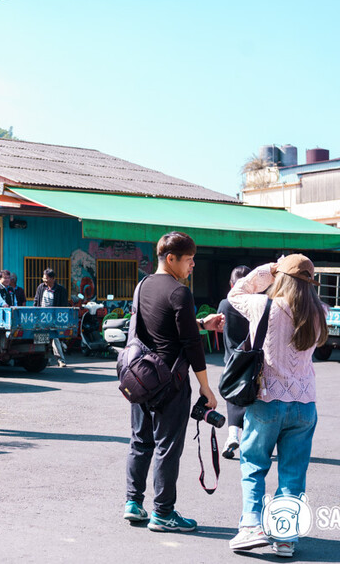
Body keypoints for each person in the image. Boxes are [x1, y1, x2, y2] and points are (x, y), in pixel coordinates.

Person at [227, 254, 327, 558]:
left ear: (281, 277)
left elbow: (235, 293)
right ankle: (285, 537)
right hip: (305, 405)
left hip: (267, 400)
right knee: (293, 473)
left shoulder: (263, 306)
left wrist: (268, 269)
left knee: (254, 464)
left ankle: (251, 527)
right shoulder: (321, 311)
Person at [124, 231, 224, 533]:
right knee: (168, 446)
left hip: (141, 379)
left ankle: (133, 503)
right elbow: (191, 345)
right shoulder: (180, 292)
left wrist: (199, 324)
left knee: (141, 441)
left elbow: (157, 327)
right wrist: (206, 387)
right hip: (171, 383)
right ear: (172, 259)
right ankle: (163, 513)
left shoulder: (142, 287)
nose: (192, 265)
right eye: (189, 260)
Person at [216, 265, 252, 459]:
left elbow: (220, 329)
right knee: (252, 397)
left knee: (232, 396)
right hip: (254, 358)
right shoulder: (258, 303)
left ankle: (232, 435)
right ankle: (249, 440)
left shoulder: (225, 304)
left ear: (231, 285)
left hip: (231, 358)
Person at [33, 268, 69, 367]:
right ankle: (45, 359)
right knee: (41, 338)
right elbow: (36, 301)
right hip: (41, 318)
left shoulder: (60, 289)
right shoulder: (41, 287)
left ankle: (61, 360)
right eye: (43, 278)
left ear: (53, 278)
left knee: (54, 337)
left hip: (54, 319)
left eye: (46, 278)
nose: (44, 280)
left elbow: (64, 305)